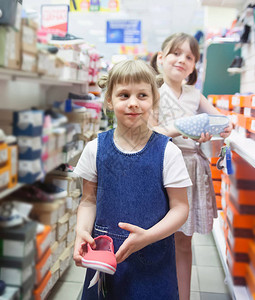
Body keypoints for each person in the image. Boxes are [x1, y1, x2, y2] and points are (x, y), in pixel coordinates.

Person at [73, 59, 192, 300]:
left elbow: (180, 208)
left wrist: (148, 237)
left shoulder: (168, 152)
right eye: (124, 95)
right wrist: (81, 231)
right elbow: (88, 200)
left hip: (154, 259)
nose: (133, 103)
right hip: (105, 258)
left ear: (154, 99)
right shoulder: (95, 149)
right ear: (109, 100)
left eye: (142, 95)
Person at [150, 32, 233, 300]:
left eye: (189, 56)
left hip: (191, 169)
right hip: (161, 168)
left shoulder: (194, 94)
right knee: (156, 237)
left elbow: (222, 121)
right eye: (176, 53)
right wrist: (180, 128)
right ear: (161, 57)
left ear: (195, 65)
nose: (182, 60)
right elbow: (148, 131)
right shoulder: (152, 91)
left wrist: (215, 127)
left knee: (183, 240)